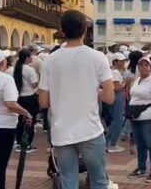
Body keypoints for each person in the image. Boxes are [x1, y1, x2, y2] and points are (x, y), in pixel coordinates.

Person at [39, 10, 117, 189]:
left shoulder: (50, 61)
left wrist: (62, 95)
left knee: (68, 181)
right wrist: (91, 91)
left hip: (62, 131)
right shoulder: (98, 57)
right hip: (90, 129)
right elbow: (109, 97)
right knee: (99, 180)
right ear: (85, 30)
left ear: (62, 31)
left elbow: (43, 102)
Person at [0, 49, 32, 189]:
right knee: (0, 163)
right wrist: (26, 113)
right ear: (2, 62)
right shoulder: (5, 79)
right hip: (4, 126)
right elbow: (10, 104)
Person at [127, 57, 151, 183]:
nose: (144, 67)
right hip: (135, 117)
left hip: (148, 117)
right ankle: (141, 168)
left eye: (146, 65)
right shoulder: (137, 80)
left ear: (150, 67)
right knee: (140, 144)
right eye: (141, 65)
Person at [13, 49, 39, 153]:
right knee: (30, 121)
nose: (32, 57)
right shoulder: (29, 70)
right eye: (30, 56)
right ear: (27, 58)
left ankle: (19, 142)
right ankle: (27, 144)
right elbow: (34, 84)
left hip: (19, 98)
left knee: (20, 121)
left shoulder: (16, 68)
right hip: (30, 98)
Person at [106, 52, 128, 153]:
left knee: (116, 119)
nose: (123, 62)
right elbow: (117, 87)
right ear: (115, 62)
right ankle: (112, 143)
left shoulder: (115, 72)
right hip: (117, 96)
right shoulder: (115, 72)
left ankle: (109, 142)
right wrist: (126, 82)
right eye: (121, 61)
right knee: (118, 120)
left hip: (118, 96)